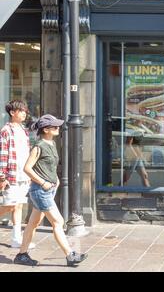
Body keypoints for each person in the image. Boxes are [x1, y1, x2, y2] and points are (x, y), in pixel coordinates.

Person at [13, 114, 87, 266]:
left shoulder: (51, 144)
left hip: (48, 190)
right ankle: (70, 255)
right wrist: (43, 182)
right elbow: (27, 168)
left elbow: (48, 167)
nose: (57, 128)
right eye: (54, 126)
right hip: (40, 190)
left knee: (33, 223)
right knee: (58, 221)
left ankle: (21, 255)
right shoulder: (39, 147)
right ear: (46, 129)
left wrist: (55, 179)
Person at [0, 100, 36, 249]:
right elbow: (3, 153)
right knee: (10, 205)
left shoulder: (23, 129)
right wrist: (2, 176)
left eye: (24, 111)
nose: (24, 113)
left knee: (18, 206)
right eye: (21, 111)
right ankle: (16, 238)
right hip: (11, 175)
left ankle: (16, 239)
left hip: (23, 174)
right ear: (12, 113)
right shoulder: (6, 130)